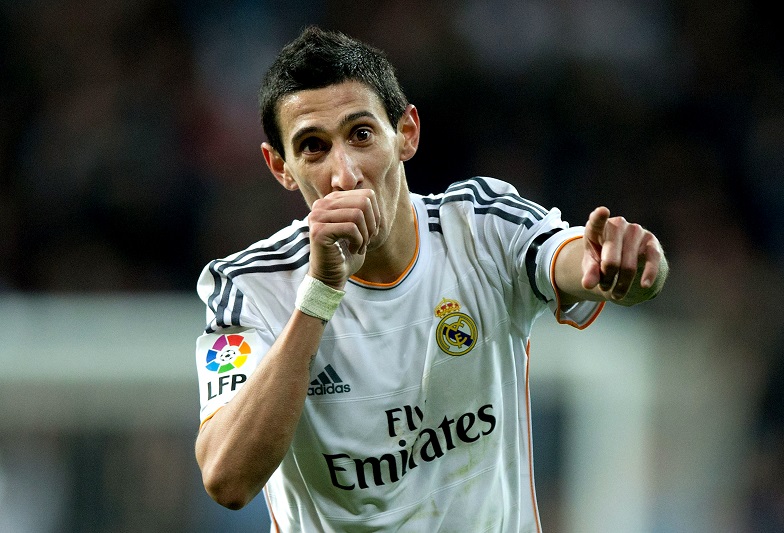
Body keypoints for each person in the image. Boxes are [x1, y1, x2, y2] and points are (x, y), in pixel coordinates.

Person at [193, 26, 668, 532]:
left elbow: (572, 259)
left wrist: (626, 265)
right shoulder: (247, 287)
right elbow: (227, 478)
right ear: (281, 167)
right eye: (313, 147)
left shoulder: (482, 226)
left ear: (406, 133)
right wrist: (320, 295)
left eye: (361, 134)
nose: (345, 174)